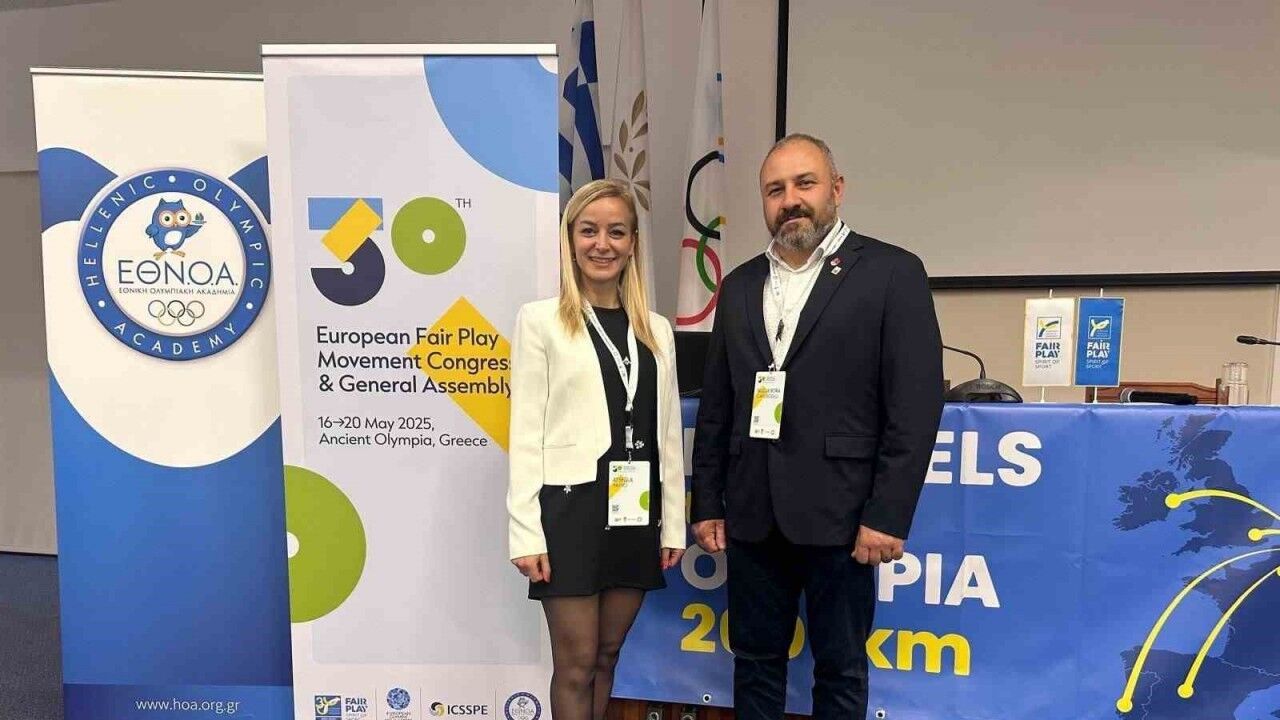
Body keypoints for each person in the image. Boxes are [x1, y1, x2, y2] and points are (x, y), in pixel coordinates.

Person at [690, 134, 944, 720]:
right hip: (753, 514)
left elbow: (914, 406)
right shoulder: (740, 285)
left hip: (844, 517)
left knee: (841, 669)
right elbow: (718, 406)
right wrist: (707, 501)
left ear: (837, 188)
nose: (790, 200)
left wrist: (887, 514)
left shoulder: (892, 272)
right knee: (754, 663)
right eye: (774, 190)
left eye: (804, 183)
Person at [507, 179, 687, 720]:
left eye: (616, 232)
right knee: (577, 663)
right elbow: (525, 434)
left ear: (633, 243)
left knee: (608, 655)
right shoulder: (540, 321)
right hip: (571, 510)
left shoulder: (656, 330)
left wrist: (672, 524)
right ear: (570, 240)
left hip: (634, 511)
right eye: (589, 231)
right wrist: (525, 531)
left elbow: (667, 433)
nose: (602, 244)